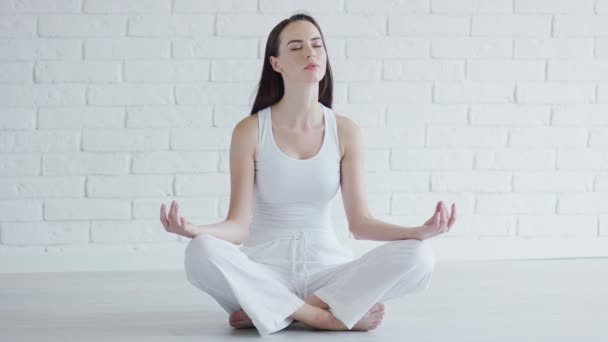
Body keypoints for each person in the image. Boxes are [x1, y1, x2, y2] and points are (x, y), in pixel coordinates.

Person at [159, 12, 457, 337]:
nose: (310, 53)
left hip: (326, 273)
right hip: (264, 272)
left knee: (419, 255)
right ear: (276, 64)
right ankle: (323, 316)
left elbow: (360, 224)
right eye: (297, 47)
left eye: (317, 45)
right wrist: (193, 229)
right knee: (201, 251)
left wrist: (417, 231)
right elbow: (238, 227)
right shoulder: (250, 131)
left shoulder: (344, 130)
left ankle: (278, 310)